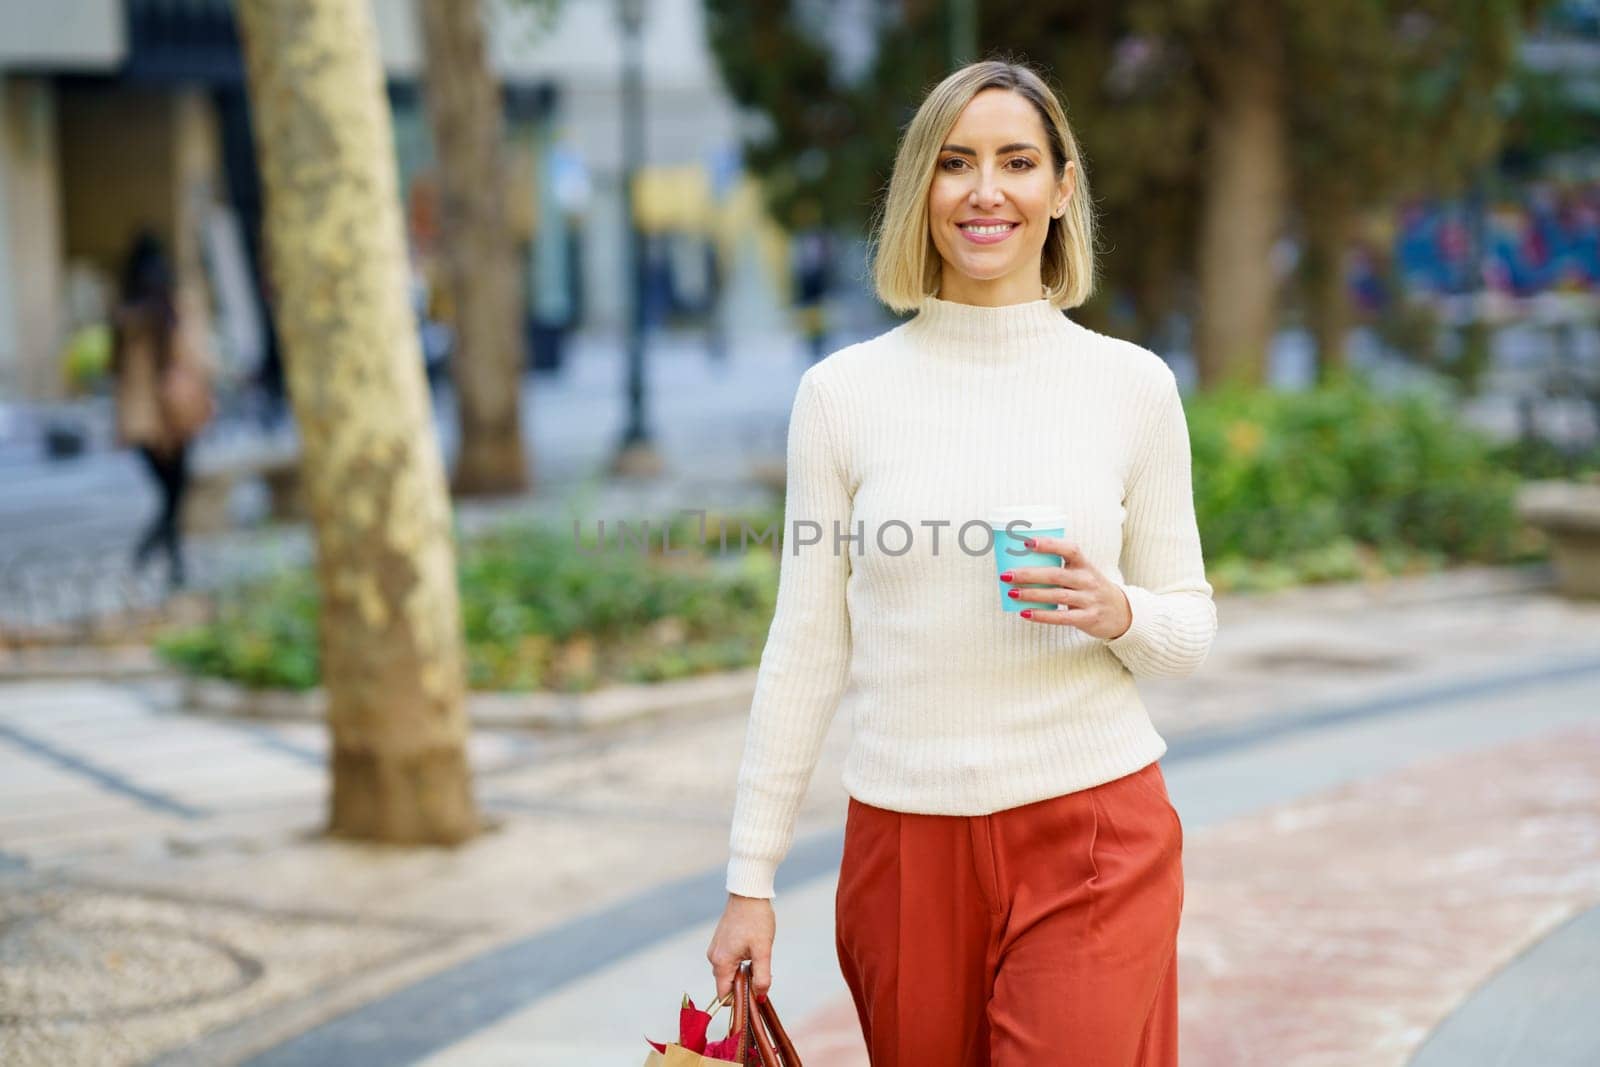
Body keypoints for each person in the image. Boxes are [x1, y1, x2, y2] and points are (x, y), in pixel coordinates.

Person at [706, 59, 1216, 1065]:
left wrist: (1117, 610)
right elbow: (805, 644)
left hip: (1093, 836)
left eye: (1017, 161)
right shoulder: (842, 395)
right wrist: (747, 880)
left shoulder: (1133, 387)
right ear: (920, 193)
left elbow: (1189, 627)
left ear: (1061, 188)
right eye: (955, 164)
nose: (987, 190)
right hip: (903, 847)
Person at [110, 232, 215, 590]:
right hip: (170, 419)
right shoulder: (164, 315)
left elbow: (119, 377)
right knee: (173, 496)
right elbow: (195, 361)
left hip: (152, 421)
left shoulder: (130, 318)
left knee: (171, 496)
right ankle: (162, 558)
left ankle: (166, 561)